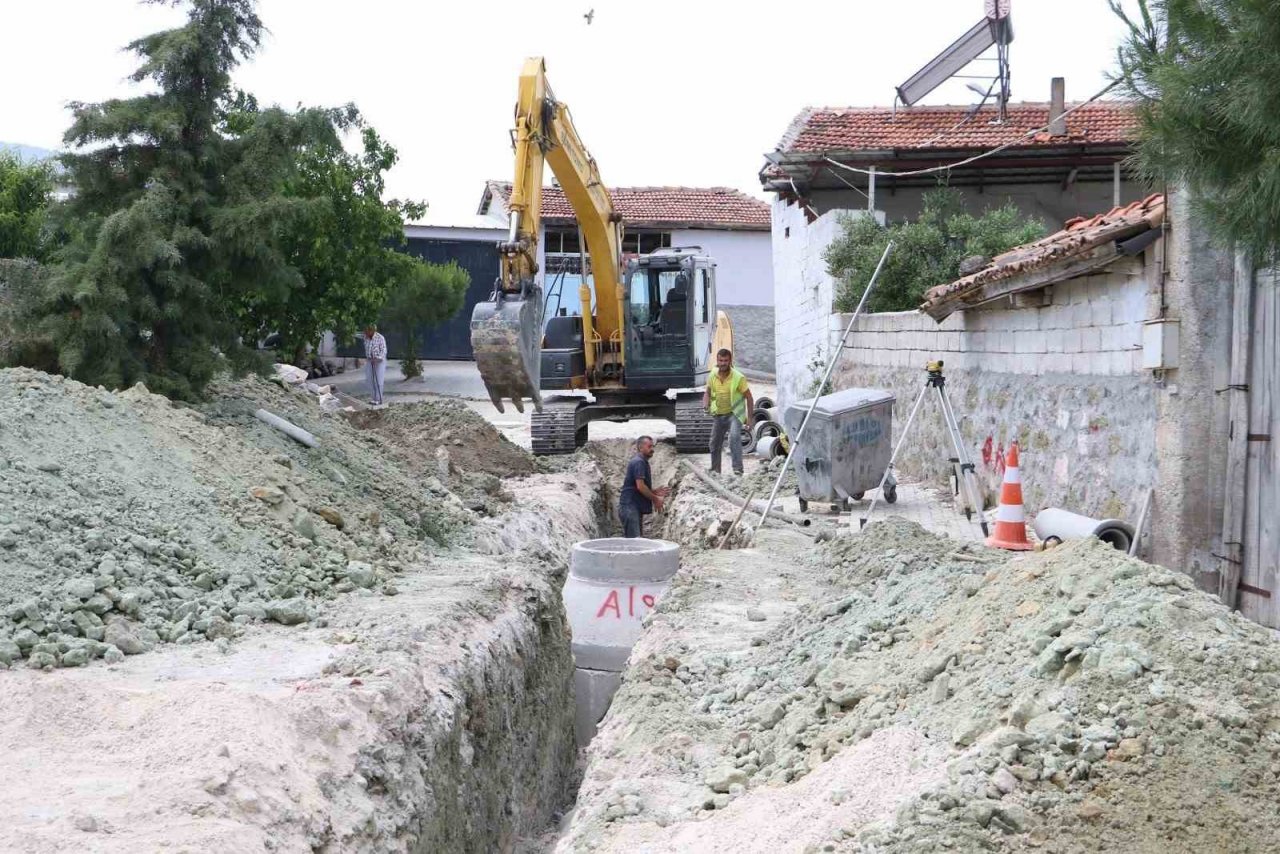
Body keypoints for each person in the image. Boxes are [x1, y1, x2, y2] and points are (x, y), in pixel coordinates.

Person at [702, 347, 754, 476]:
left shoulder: (738, 377)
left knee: (734, 438)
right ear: (717, 360)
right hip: (719, 414)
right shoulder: (713, 375)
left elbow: (749, 397)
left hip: (734, 414)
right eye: (721, 360)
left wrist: (750, 418)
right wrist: (705, 404)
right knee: (714, 443)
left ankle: (738, 470)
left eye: (726, 360)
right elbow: (707, 392)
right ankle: (715, 471)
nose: (723, 363)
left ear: (730, 361)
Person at [618, 435, 670, 537]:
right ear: (641, 448)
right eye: (649, 447)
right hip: (630, 507)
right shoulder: (639, 462)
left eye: (652, 447)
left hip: (632, 506)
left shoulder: (641, 461)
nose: (652, 449)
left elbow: (636, 486)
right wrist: (655, 499)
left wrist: (653, 491)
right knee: (635, 542)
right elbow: (640, 487)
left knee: (637, 541)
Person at [362, 324, 387, 407]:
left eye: (367, 331)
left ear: (372, 331)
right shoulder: (366, 337)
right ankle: (373, 398)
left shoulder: (380, 338)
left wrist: (377, 359)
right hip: (369, 360)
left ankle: (378, 399)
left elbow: (384, 351)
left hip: (379, 361)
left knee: (378, 380)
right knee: (369, 380)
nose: (365, 332)